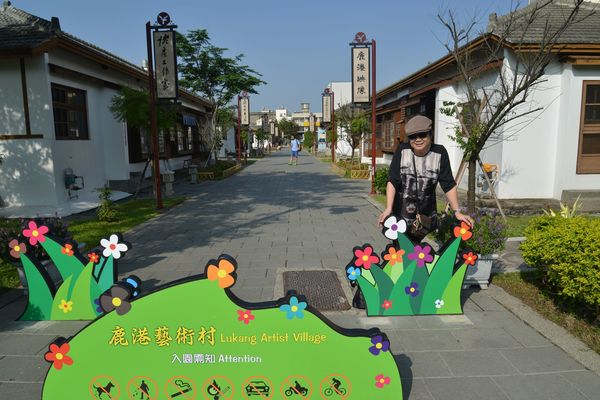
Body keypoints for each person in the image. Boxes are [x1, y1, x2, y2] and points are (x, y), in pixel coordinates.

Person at [377, 115, 474, 243]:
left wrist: (457, 211)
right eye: (413, 136)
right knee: (400, 248)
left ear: (430, 134)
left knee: (416, 249)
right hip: (400, 214)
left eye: (422, 135)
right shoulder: (402, 150)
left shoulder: (439, 153)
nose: (418, 139)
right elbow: (393, 181)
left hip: (425, 216)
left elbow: (448, 184)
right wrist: (388, 208)